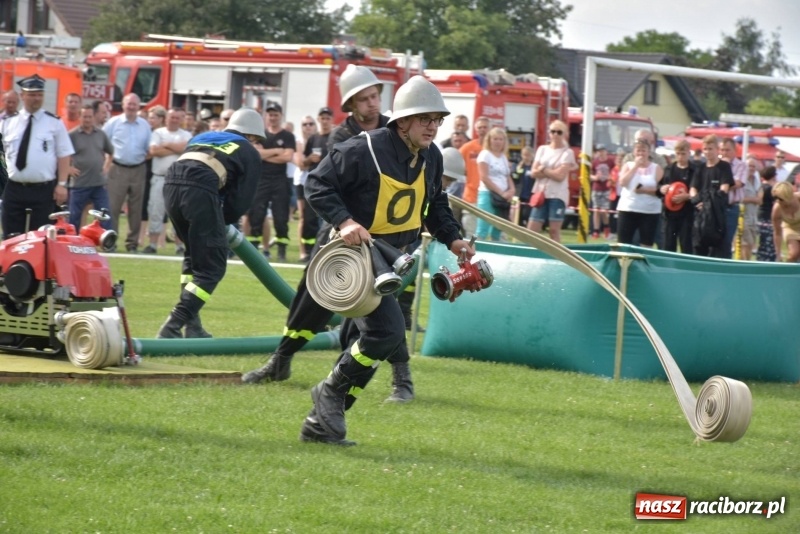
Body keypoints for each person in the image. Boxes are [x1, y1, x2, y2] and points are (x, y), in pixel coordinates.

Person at [299, 75, 472, 446]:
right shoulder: (363, 149)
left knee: (375, 337)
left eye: (437, 119)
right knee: (386, 333)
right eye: (424, 118)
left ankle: (321, 422)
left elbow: (434, 205)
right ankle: (328, 395)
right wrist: (344, 221)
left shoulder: (432, 157)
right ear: (402, 121)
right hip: (354, 258)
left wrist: (454, 239)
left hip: (391, 263)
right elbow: (316, 184)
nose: (432, 126)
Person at [242, 65, 418, 405]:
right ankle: (281, 360)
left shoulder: (396, 130)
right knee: (309, 299)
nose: (371, 104)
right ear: (351, 103)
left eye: (374, 97)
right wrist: (346, 222)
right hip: (343, 233)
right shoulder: (341, 138)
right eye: (364, 99)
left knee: (386, 309)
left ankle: (402, 379)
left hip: (385, 239)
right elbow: (327, 186)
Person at [156, 108, 264, 339]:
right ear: (253, 136)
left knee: (192, 258)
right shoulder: (249, 151)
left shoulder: (201, 138)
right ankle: (173, 324)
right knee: (212, 267)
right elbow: (240, 201)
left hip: (170, 187)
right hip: (199, 192)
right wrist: (222, 224)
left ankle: (192, 326)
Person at [0, 74, 72, 237]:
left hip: (43, 190)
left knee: (42, 239)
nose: (36, 99)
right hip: (13, 188)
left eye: (40, 95)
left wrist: (61, 184)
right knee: (11, 237)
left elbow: (64, 155)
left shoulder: (54, 123)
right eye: (32, 95)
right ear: (22, 96)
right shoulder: (8, 122)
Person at [243, 101, 295, 261]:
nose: (273, 118)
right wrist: (275, 151)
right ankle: (254, 251)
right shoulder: (260, 134)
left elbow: (287, 157)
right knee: (256, 215)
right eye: (270, 114)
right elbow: (256, 155)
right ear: (266, 116)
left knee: (281, 218)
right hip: (262, 180)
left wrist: (265, 154)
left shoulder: (288, 136)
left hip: (280, 180)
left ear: (281, 116)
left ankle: (281, 251)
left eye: (276, 115)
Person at [103, 93, 151, 252]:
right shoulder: (113, 123)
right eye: (128, 104)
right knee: (113, 207)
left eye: (134, 104)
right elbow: (102, 142)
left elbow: (148, 148)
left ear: (139, 107)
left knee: (136, 209)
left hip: (138, 168)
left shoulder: (144, 125)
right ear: (123, 105)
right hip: (117, 168)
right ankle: (111, 241)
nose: (131, 107)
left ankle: (132, 243)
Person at [143, 107, 192, 254]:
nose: (174, 120)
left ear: (181, 119)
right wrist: (176, 148)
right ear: (166, 118)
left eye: (177, 117)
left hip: (180, 180)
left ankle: (179, 246)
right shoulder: (158, 133)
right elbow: (153, 151)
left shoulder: (187, 134)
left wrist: (165, 145)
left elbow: (186, 149)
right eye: (172, 117)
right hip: (159, 178)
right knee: (156, 210)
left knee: (180, 213)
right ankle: (152, 244)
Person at [526, 120, 576, 243]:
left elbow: (560, 177)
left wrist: (543, 169)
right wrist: (550, 171)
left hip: (557, 195)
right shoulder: (542, 149)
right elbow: (533, 172)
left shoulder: (567, 152)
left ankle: (557, 257)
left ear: (565, 134)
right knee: (532, 229)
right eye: (553, 131)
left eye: (559, 132)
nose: (555, 135)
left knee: (554, 231)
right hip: (541, 193)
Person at [67, 104, 113, 230]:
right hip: (79, 184)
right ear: (80, 117)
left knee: (105, 214)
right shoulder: (72, 135)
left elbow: (111, 152)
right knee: (74, 217)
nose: (87, 119)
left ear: (94, 117)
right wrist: (68, 169)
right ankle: (71, 242)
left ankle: (108, 243)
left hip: (98, 183)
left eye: (90, 116)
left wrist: (107, 166)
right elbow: (61, 154)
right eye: (84, 116)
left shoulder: (101, 134)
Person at [297, 107, 333, 262]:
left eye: (327, 118)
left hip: (332, 184)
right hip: (314, 184)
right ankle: (309, 252)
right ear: (319, 120)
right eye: (322, 118)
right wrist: (309, 159)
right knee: (309, 219)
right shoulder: (313, 139)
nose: (325, 121)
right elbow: (302, 164)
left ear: (331, 119)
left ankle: (327, 251)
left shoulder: (336, 136)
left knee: (329, 220)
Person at [689, 135, 734, 258]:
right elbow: (693, 189)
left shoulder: (724, 167)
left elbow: (724, 188)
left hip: (717, 215)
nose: (708, 152)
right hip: (701, 214)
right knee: (699, 248)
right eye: (705, 149)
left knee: (719, 250)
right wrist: (696, 201)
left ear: (717, 149)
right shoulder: (700, 168)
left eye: (710, 148)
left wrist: (710, 203)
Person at [616, 139, 663, 247]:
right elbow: (623, 182)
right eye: (638, 150)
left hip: (649, 211)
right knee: (623, 244)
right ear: (634, 152)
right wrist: (635, 166)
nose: (641, 153)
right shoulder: (628, 165)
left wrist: (644, 190)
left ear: (648, 152)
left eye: (643, 150)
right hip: (628, 209)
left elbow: (660, 190)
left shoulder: (656, 168)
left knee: (646, 244)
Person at [475, 127, 513, 240]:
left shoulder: (503, 157)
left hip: (502, 198)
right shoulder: (485, 154)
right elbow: (484, 177)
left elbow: (507, 176)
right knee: (482, 228)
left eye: (501, 139)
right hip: (488, 194)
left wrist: (512, 190)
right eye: (495, 139)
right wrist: (501, 192)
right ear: (489, 140)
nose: (498, 142)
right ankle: (473, 252)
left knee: (498, 228)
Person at [657, 139, 694, 253]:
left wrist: (687, 196)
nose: (681, 157)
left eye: (683, 154)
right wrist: (661, 189)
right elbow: (659, 187)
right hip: (669, 213)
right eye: (678, 153)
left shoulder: (694, 170)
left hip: (687, 214)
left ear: (689, 153)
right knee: (668, 245)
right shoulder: (669, 169)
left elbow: (698, 190)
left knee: (686, 245)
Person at [718, 137, 746, 259]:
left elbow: (738, 184)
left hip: (731, 207)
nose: (724, 153)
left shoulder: (741, 165)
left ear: (735, 150)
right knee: (714, 239)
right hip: (716, 207)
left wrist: (721, 183)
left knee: (726, 240)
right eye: (722, 150)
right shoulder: (715, 164)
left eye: (727, 150)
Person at [771, 181, 800, 262]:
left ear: (788, 196)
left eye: (780, 198)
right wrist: (778, 253)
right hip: (790, 229)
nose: (777, 201)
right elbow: (777, 233)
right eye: (775, 198)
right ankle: (787, 272)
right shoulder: (777, 209)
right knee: (794, 254)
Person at [590, 143, 615, 239]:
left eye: (602, 151)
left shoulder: (610, 161)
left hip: (606, 188)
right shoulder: (595, 162)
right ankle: (596, 230)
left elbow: (615, 172)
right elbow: (589, 174)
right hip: (597, 187)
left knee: (604, 210)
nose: (601, 153)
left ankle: (606, 227)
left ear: (606, 151)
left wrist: (611, 178)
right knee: (596, 209)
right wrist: (595, 177)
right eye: (599, 151)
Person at [740, 157, 761, 261]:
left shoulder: (756, 181)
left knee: (751, 242)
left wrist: (755, 199)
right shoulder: (742, 181)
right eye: (749, 166)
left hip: (754, 217)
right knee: (746, 242)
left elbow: (760, 199)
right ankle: (744, 264)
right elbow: (739, 198)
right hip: (743, 216)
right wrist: (753, 199)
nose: (751, 168)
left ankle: (745, 262)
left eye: (753, 166)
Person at [756, 165, 778, 262]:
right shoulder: (771, 189)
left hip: (760, 217)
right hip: (769, 218)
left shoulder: (761, 187)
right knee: (770, 244)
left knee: (762, 243)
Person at [511, 146, 535, 226]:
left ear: (532, 155)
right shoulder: (517, 165)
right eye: (524, 155)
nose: (526, 157)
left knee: (527, 214)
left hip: (530, 194)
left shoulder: (534, 167)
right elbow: (514, 177)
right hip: (518, 194)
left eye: (528, 155)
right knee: (517, 215)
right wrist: (518, 168)